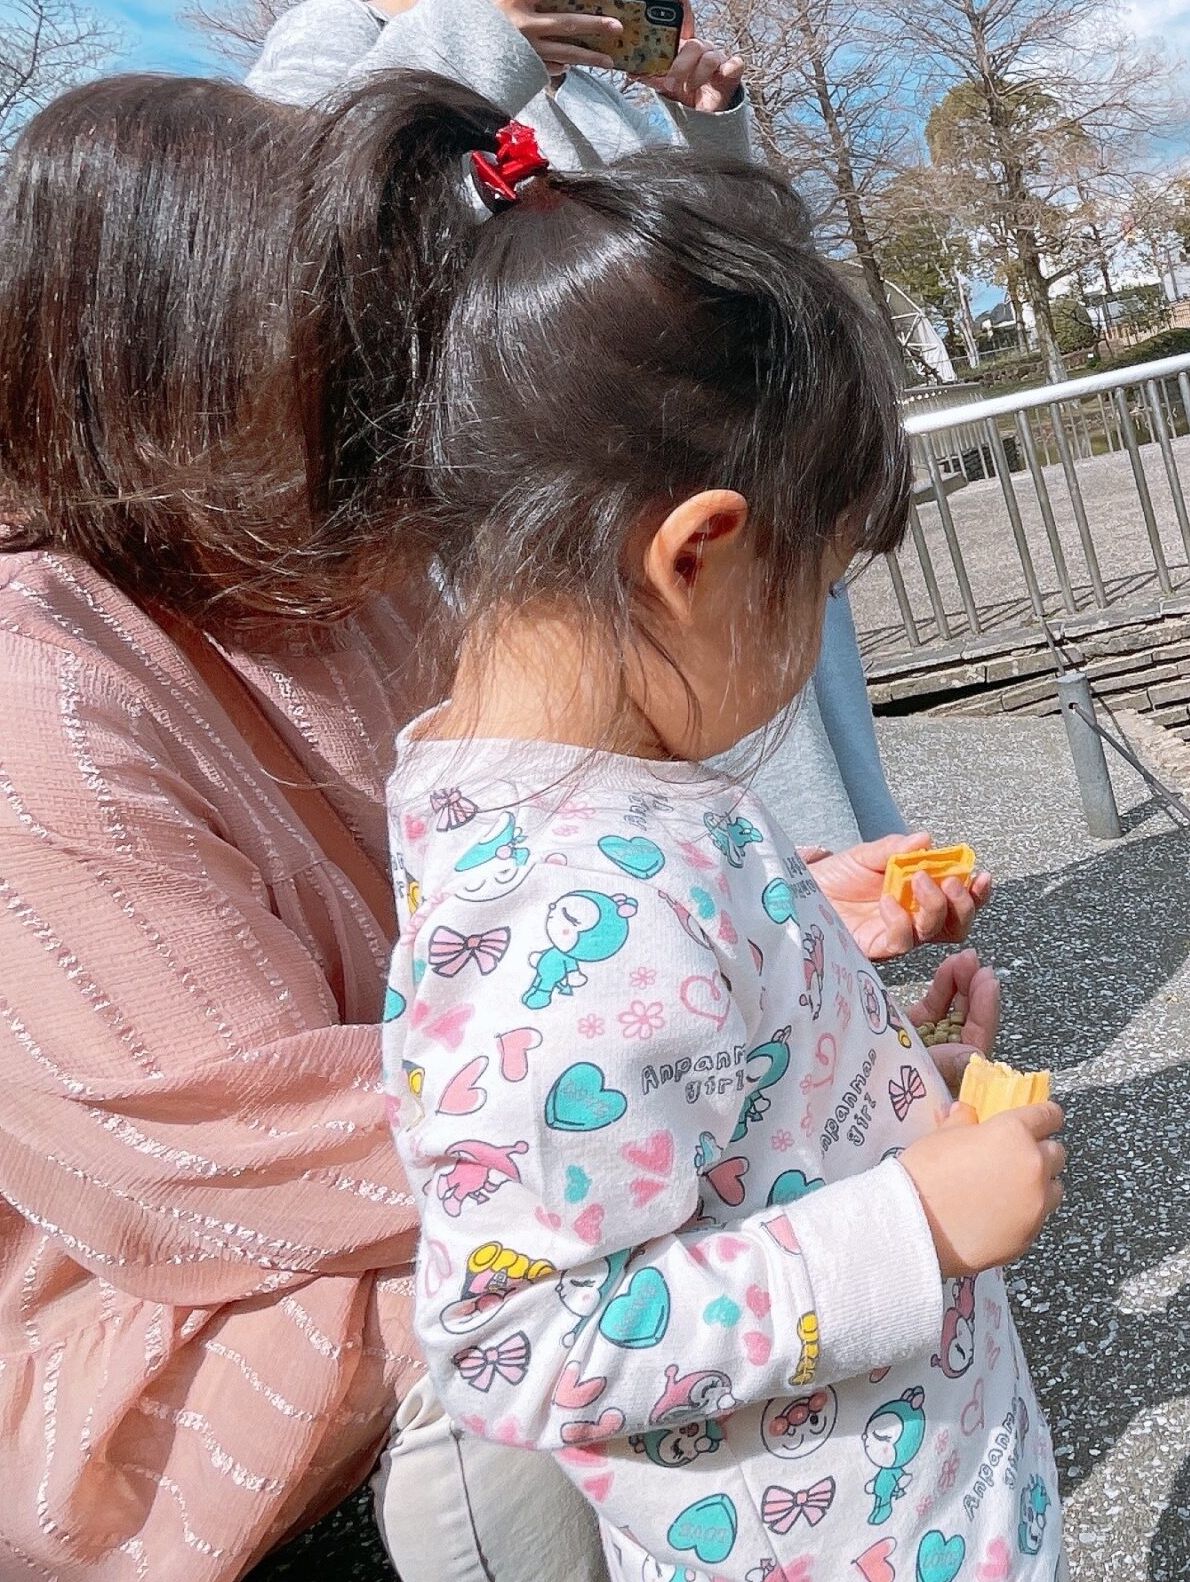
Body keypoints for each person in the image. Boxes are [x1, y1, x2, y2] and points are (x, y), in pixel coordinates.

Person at [0, 71, 996, 1582]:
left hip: (469, 1157)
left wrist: (777, 936)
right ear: (161, 360)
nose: (408, 414)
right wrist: (799, 1122)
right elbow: (235, 1156)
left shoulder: (301, 568)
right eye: (356, 359)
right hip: (188, 1334)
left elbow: (534, 915)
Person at [382, 119, 1062, 1581]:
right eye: (813, 584)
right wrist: (911, 1229)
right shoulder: (560, 896)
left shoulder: (621, 786)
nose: (811, 635)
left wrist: (880, 1087)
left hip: (913, 1498)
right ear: (698, 555)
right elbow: (524, 1344)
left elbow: (689, 1122)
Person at [242, 0, 902, 854]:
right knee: (634, 835)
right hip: (541, 528)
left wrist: (706, 124)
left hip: (700, 484)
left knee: (783, 793)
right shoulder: (342, 38)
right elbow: (284, 228)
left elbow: (727, 277)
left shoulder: (591, 88)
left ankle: (842, 994)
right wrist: (471, 51)